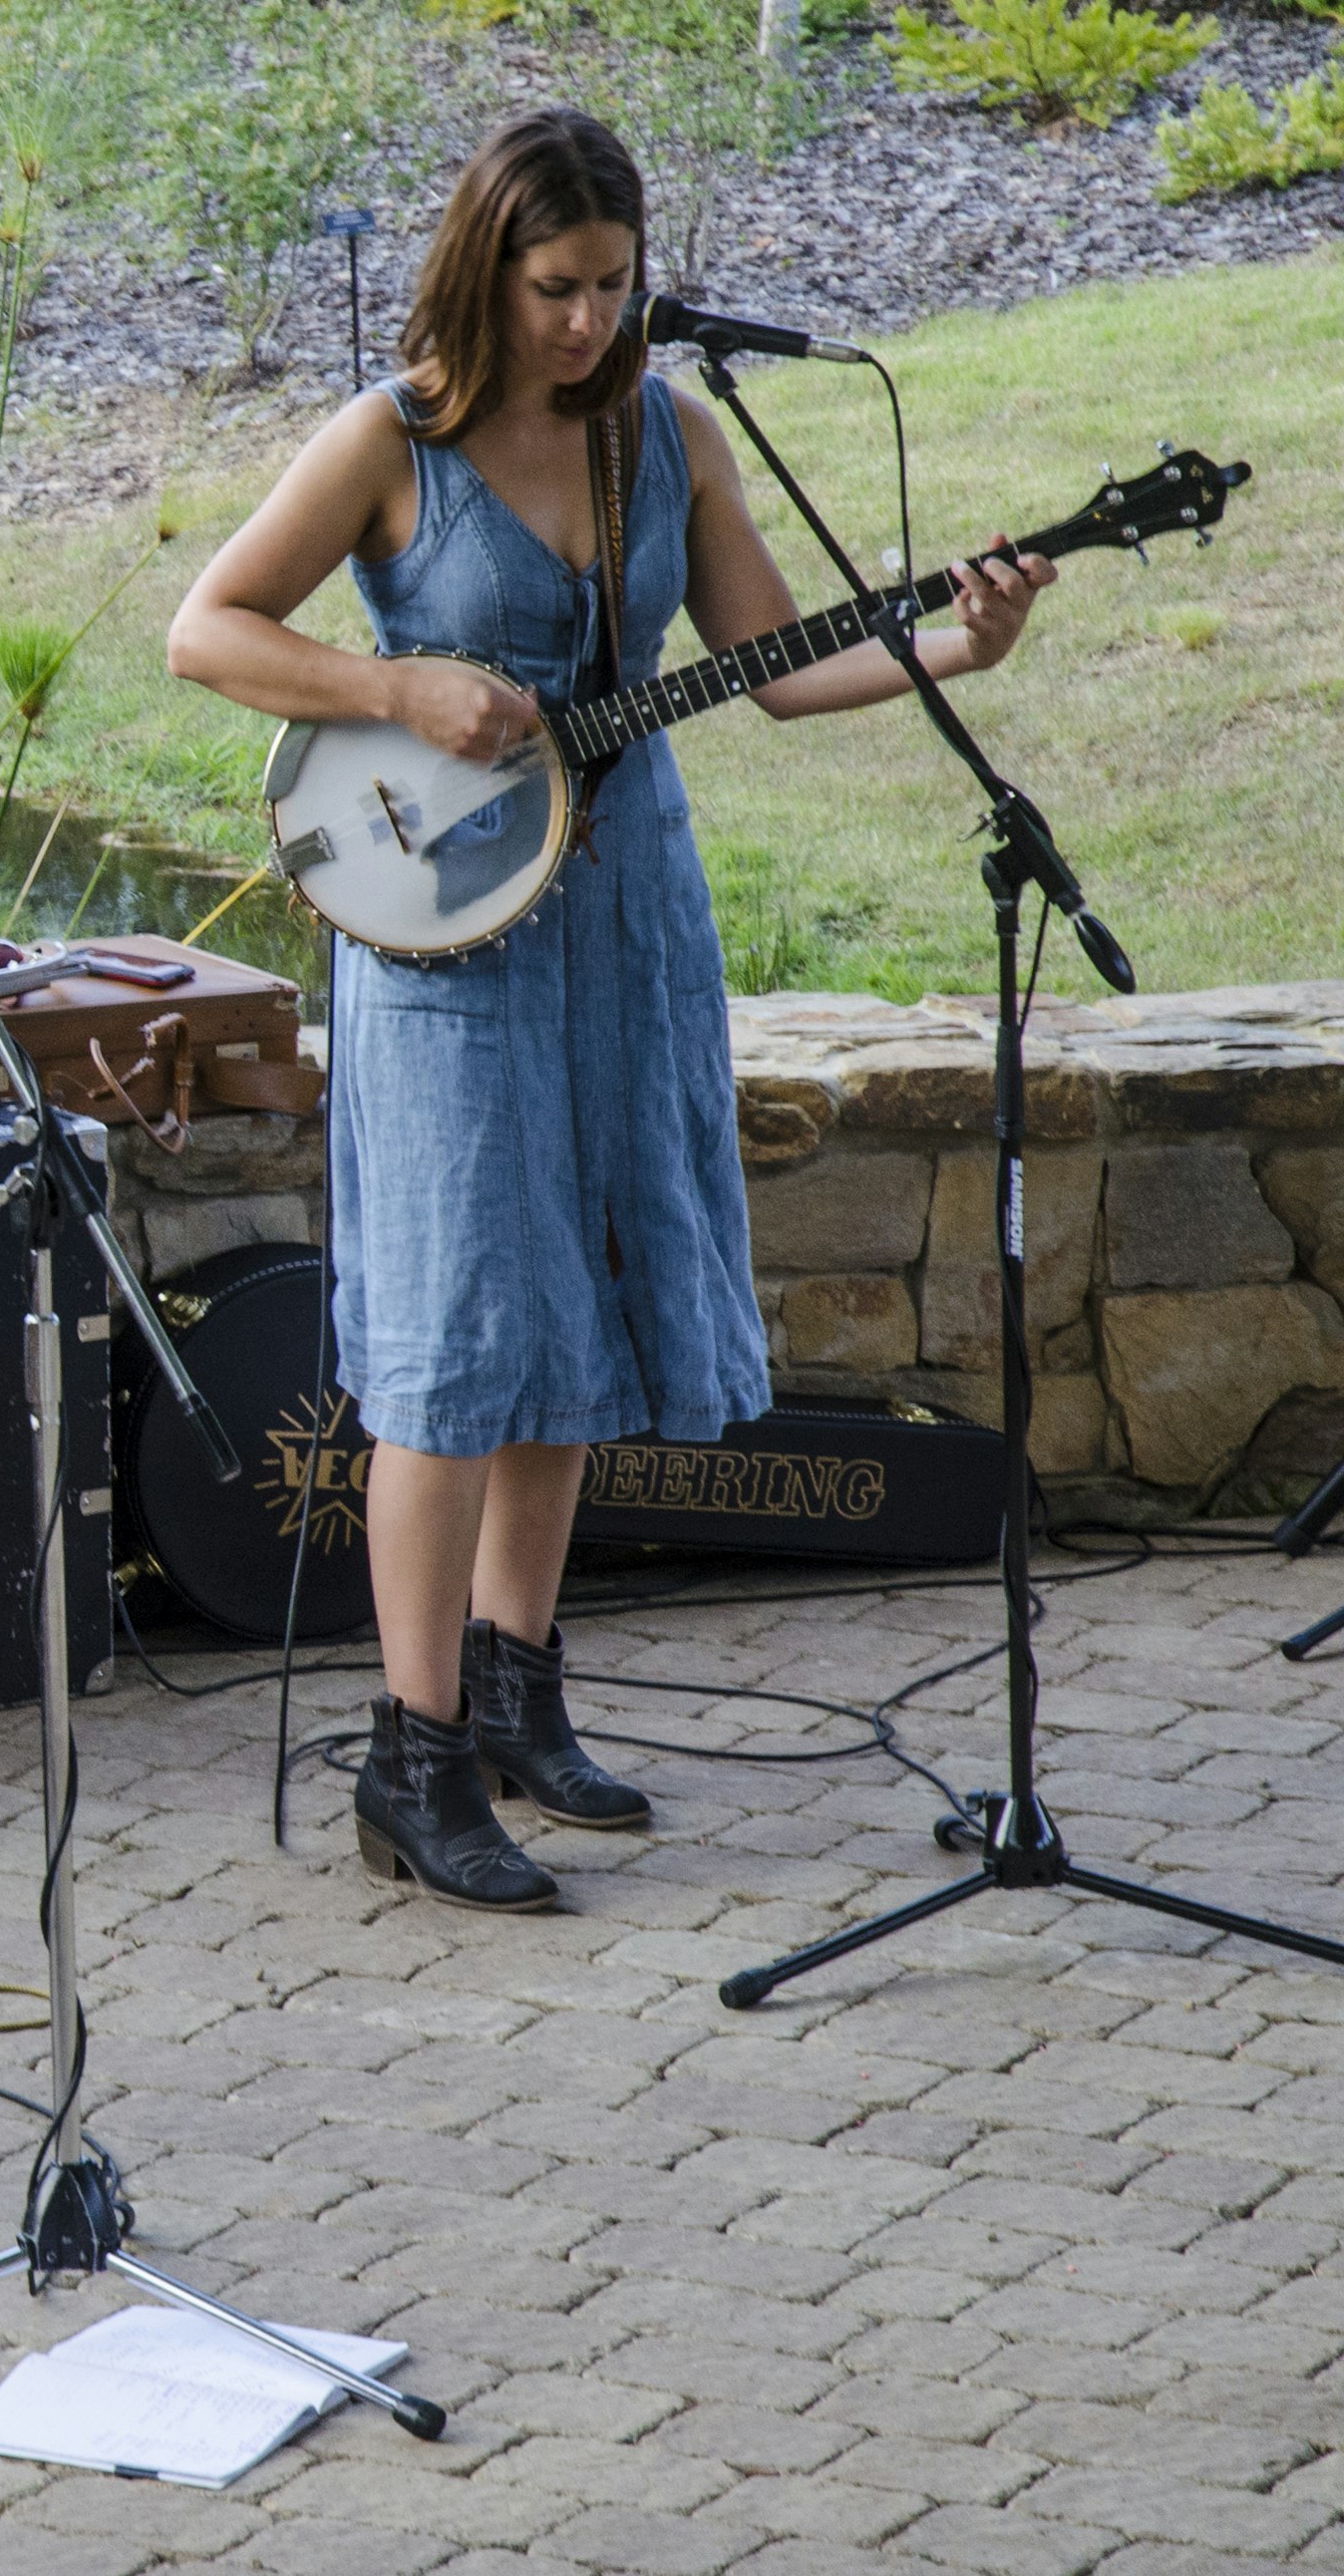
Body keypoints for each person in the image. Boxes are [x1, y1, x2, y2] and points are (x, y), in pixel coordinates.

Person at [164, 111, 1050, 1911]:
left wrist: (966, 641)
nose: (587, 321)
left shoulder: (673, 433)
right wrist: (399, 682)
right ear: (490, 269)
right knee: (457, 1340)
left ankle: (516, 1690)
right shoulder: (391, 439)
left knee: (571, 1304)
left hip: (627, 917)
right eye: (556, 288)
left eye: (615, 286)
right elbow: (211, 627)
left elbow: (783, 668)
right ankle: (408, 1763)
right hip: (451, 945)